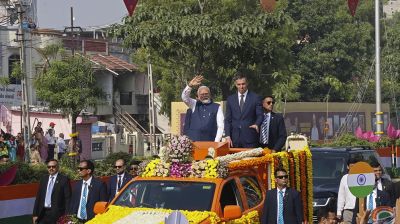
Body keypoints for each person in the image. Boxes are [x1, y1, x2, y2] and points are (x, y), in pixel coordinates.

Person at [225, 73, 263, 148]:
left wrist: (257, 124)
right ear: (235, 85)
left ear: (247, 83)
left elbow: (260, 115)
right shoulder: (230, 99)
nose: (241, 86)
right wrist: (227, 135)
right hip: (234, 140)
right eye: (239, 84)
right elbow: (228, 120)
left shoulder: (255, 98)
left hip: (250, 138)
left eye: (243, 84)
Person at [181, 75, 224, 142]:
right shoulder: (194, 104)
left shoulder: (217, 107)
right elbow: (184, 98)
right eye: (202, 94)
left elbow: (220, 126)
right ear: (198, 96)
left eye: (206, 94)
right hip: (193, 142)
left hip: (210, 142)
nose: (204, 96)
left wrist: (216, 142)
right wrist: (190, 86)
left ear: (210, 94)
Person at [32, 159, 71, 224]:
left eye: (53, 166)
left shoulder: (64, 179)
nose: (51, 168)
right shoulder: (44, 179)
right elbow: (38, 197)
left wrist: (67, 217)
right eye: (49, 167)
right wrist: (35, 214)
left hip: (57, 215)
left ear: (57, 167)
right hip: (43, 213)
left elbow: (68, 199)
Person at [337, 158, 359, 224]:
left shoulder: (362, 177)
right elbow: (341, 195)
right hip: (348, 211)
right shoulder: (344, 178)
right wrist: (339, 212)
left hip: (359, 211)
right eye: (352, 166)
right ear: (348, 167)